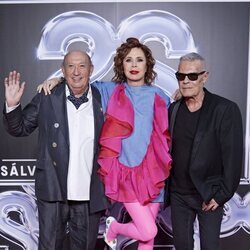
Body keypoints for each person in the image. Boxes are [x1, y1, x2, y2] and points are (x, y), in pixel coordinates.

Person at [38, 37, 172, 250]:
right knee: (149, 230)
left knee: (147, 240)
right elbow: (77, 81)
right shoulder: (109, 91)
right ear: (121, 64)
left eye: (139, 60)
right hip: (127, 174)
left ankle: (117, 229)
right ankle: (116, 228)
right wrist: (57, 81)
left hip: (153, 174)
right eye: (129, 60)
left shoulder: (161, 96)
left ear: (148, 64)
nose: (134, 65)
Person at [3, 51, 109, 250]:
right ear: (63, 69)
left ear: (91, 69)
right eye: (70, 66)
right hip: (53, 189)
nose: (76, 72)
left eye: (82, 66)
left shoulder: (103, 97)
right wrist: (12, 105)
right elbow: (20, 128)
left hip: (89, 193)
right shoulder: (47, 96)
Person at [167, 52, 243, 250]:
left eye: (192, 76)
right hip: (178, 194)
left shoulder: (225, 109)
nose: (185, 81)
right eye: (180, 76)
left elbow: (233, 157)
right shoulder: (173, 109)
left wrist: (221, 195)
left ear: (204, 76)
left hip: (208, 195)